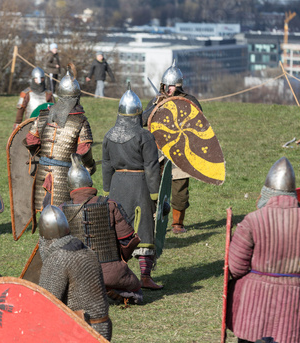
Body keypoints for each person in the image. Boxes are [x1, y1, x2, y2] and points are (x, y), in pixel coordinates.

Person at [227, 157, 300, 343]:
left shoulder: (252, 220)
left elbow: (236, 268)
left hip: (253, 301)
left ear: (267, 193)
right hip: (293, 300)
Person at [60, 153, 143, 304]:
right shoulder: (110, 205)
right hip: (113, 275)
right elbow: (127, 239)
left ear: (70, 186)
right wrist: (123, 259)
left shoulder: (60, 211)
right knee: (136, 290)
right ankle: (110, 289)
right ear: (90, 182)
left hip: (76, 276)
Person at [102, 85, 162, 290]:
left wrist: (107, 191)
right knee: (144, 228)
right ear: (137, 113)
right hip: (140, 186)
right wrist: (156, 193)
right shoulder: (144, 136)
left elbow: (107, 165)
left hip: (117, 186)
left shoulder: (109, 135)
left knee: (119, 230)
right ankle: (145, 276)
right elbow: (151, 165)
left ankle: (121, 274)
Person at [142, 60, 202, 234]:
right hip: (158, 151)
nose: (168, 90)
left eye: (171, 86)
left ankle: (177, 223)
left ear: (178, 86)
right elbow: (143, 121)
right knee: (154, 187)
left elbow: (198, 124)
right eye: (165, 86)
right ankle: (153, 220)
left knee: (180, 190)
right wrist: (156, 107)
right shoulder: (156, 100)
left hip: (180, 151)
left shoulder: (190, 101)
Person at [38, 205, 112, 340]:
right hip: (103, 328)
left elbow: (45, 306)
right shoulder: (86, 250)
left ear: (44, 238)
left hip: (80, 331)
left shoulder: (58, 258)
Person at [25, 71, 96, 212]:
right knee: (62, 213)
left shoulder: (43, 115)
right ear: (76, 97)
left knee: (46, 210)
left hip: (43, 171)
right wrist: (90, 166)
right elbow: (84, 150)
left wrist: (42, 154)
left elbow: (31, 140)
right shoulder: (80, 121)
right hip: (64, 174)